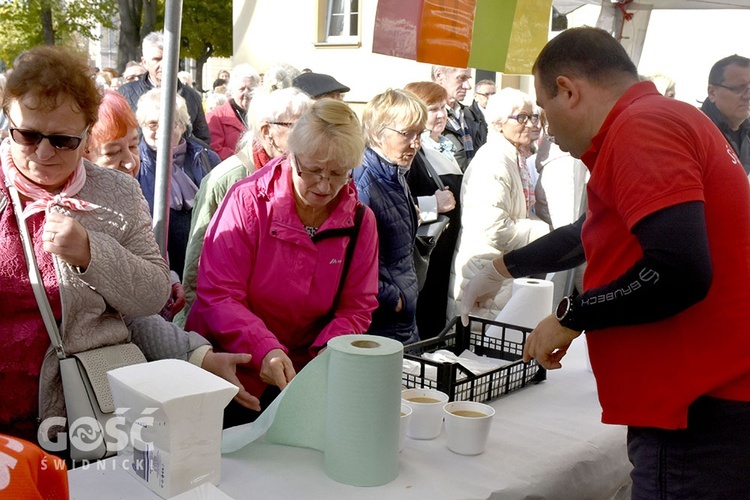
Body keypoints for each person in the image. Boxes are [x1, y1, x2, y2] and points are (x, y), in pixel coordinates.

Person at [461, 27, 750, 498]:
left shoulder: (643, 127)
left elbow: (678, 269)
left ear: (568, 91)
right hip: (701, 400)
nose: (546, 128)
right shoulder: (658, 119)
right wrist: (500, 269)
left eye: (544, 107)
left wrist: (573, 316)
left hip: (698, 405)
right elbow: (590, 232)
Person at [0, 46, 170, 446]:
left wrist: (93, 253)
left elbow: (152, 295)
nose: (42, 153)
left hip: (82, 414)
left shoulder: (117, 192)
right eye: (26, 135)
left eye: (61, 140)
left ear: (88, 132)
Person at [185, 99, 379, 427]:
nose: (324, 186)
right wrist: (265, 349)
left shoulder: (360, 220)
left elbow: (357, 307)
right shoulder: (247, 201)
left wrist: (324, 355)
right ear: (291, 155)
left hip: (303, 377)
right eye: (313, 170)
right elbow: (219, 294)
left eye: (337, 174)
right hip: (230, 370)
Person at [84, 90, 260, 411]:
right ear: (82, 155)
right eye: (112, 152)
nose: (130, 161)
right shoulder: (76, 218)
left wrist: (166, 278)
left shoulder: (129, 198)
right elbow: (129, 311)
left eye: (135, 146)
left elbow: (140, 304)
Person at [175, 87, 312, 327]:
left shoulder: (302, 175)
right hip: (229, 322)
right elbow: (196, 268)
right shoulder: (227, 179)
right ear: (268, 132)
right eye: (300, 127)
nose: (311, 136)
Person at [449, 88, 549, 321]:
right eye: (521, 118)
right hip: (484, 272)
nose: (530, 124)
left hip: (500, 271)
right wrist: (545, 232)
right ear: (497, 123)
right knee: (476, 348)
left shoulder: (515, 157)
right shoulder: (493, 161)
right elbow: (494, 228)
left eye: (533, 117)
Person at [353, 88, 426, 345]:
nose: (416, 143)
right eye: (407, 134)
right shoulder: (364, 182)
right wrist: (391, 298)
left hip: (401, 317)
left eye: (420, 134)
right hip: (381, 322)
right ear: (376, 132)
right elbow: (351, 260)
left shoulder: (394, 172)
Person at [135, 88, 220, 279]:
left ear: (182, 126)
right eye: (152, 124)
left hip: (203, 263)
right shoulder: (134, 163)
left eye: (169, 123)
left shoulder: (206, 158)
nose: (161, 131)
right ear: (142, 126)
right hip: (155, 265)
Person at [403, 81, 462, 338]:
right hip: (427, 253)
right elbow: (399, 205)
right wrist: (432, 205)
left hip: (445, 252)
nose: (441, 114)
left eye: (443, 107)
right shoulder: (411, 153)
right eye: (433, 109)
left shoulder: (445, 146)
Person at [118, 31, 211, 144]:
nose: (164, 64)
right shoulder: (126, 94)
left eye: (168, 58)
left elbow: (203, 140)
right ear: (144, 62)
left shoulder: (192, 96)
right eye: (157, 59)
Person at [700, 54, 750, 175]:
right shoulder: (695, 132)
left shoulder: (747, 131)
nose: (748, 96)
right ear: (712, 92)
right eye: (739, 88)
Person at [206, 64, 260, 160]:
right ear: (231, 90)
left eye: (251, 89)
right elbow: (214, 151)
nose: (246, 93)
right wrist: (246, 159)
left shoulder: (263, 115)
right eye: (241, 89)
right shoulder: (216, 117)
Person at [431, 65, 480, 169]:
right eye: (461, 78)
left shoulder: (469, 114)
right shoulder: (423, 117)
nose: (468, 86)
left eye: (468, 79)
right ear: (439, 76)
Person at [469, 79, 494, 147]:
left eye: (493, 94)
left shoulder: (501, 114)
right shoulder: (469, 116)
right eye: (486, 94)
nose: (491, 97)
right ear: (475, 96)